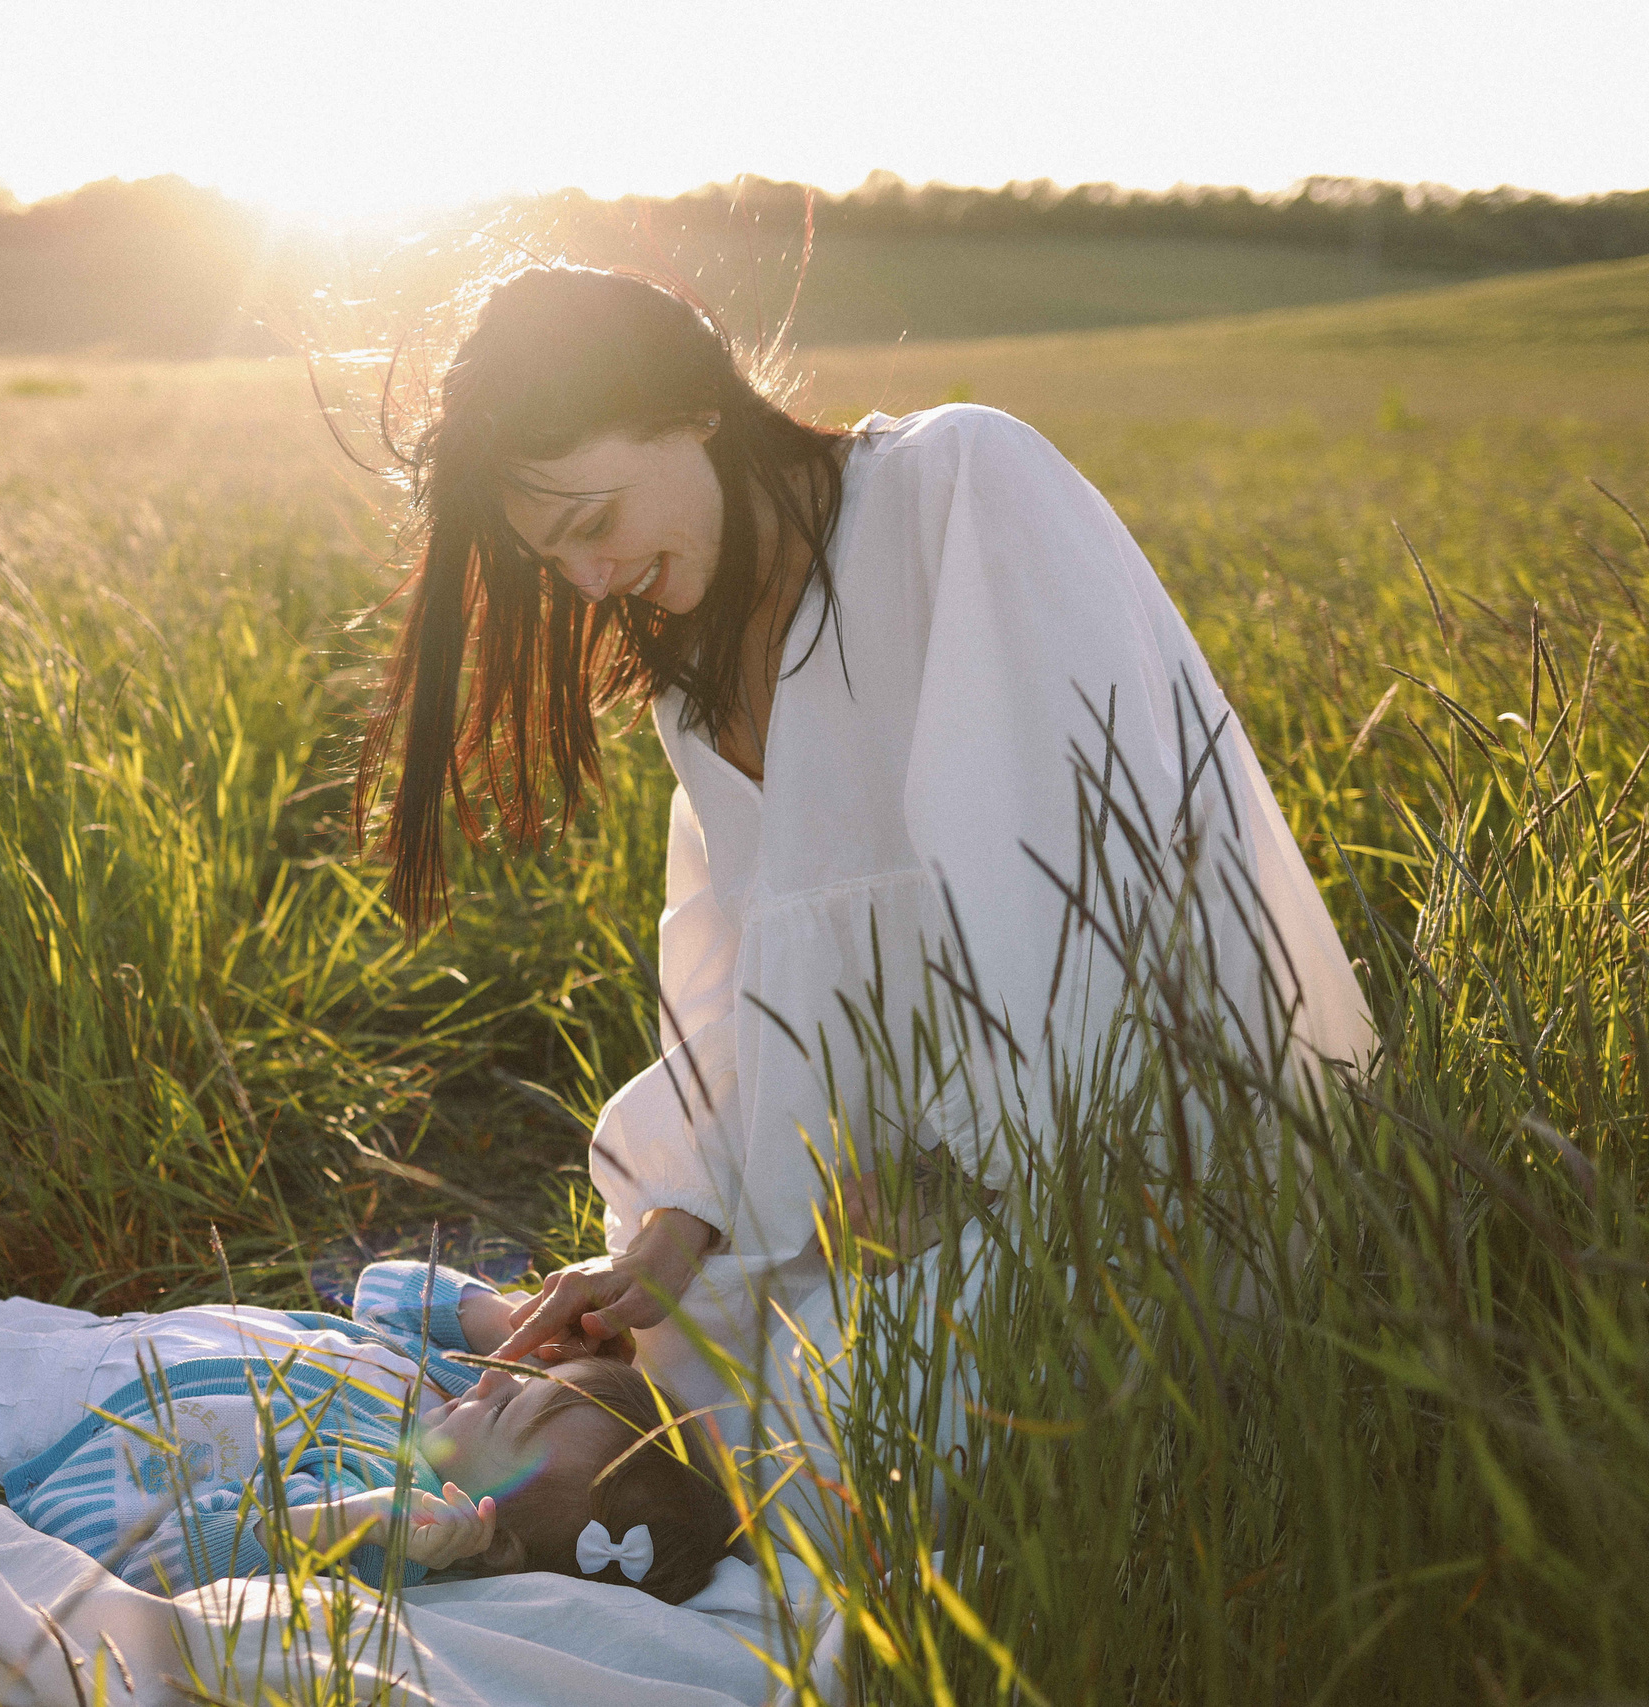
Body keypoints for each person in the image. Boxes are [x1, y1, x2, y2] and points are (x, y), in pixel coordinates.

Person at [349, 265, 1377, 1546]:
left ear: (692, 408)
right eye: (557, 558)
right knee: (676, 1409)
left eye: (596, 517)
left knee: (852, 1472)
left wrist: (943, 1184)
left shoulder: (958, 492)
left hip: (1112, 1169)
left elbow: (1098, 912)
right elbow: (739, 989)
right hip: (885, 1194)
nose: (593, 577)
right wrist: (672, 1235)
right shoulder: (691, 667)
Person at [0, 1256, 737, 1604]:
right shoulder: (435, 1391)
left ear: (490, 1523)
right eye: (519, 1379)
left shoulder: (368, 1518)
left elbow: (152, 1551)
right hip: (78, 1343)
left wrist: (339, 1525)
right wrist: (501, 1320)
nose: (495, 1384)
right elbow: (383, 1286)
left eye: (511, 1408)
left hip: (20, 1429)